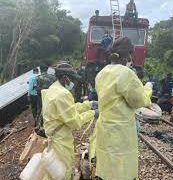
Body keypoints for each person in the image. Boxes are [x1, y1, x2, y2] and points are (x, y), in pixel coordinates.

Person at [92, 37, 152, 180]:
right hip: (121, 131)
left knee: (107, 161)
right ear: (127, 55)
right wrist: (148, 89)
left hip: (105, 127)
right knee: (121, 167)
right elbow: (137, 101)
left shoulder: (101, 73)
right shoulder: (127, 74)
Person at [41, 63, 98, 179]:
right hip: (60, 141)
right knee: (63, 171)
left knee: (53, 170)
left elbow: (68, 109)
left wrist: (88, 105)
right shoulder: (62, 94)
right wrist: (93, 113)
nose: (72, 83)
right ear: (65, 77)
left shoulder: (53, 89)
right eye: (71, 79)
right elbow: (75, 121)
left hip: (53, 137)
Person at [35, 64, 56, 128]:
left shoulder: (38, 78)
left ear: (40, 70)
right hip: (51, 96)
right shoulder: (53, 77)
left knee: (40, 109)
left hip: (41, 96)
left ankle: (39, 125)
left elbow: (37, 89)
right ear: (47, 69)